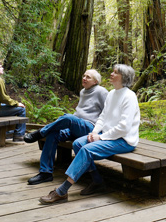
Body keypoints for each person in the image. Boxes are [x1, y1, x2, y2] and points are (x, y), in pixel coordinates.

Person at [39, 64, 140, 204]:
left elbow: (124, 127)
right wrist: (94, 132)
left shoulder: (129, 96)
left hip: (123, 140)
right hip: (108, 136)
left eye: (115, 72)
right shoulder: (111, 94)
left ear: (124, 77)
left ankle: (62, 191)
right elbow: (103, 117)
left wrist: (101, 137)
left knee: (86, 149)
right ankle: (97, 181)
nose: (111, 74)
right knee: (78, 143)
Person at [24, 69, 108, 185]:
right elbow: (80, 111)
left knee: (68, 118)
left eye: (88, 77)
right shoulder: (83, 91)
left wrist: (101, 133)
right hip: (77, 126)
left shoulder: (101, 92)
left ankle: (40, 133)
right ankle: (45, 173)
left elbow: (108, 113)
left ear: (95, 81)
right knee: (53, 134)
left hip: (90, 128)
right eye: (84, 76)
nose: (84, 78)